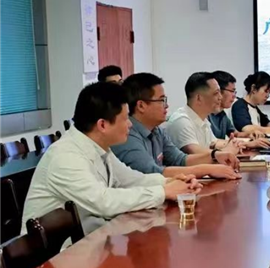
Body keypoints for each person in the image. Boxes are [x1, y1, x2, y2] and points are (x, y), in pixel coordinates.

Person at [23, 82, 201, 234]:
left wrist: (171, 182)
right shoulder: (65, 157)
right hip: (56, 255)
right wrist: (164, 192)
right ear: (102, 125)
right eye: (125, 119)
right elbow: (104, 202)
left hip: (89, 241)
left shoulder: (100, 149)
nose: (130, 125)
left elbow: (132, 179)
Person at [112, 73, 241, 179]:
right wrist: (207, 169)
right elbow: (152, 173)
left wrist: (214, 155)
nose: (167, 105)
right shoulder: (127, 135)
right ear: (141, 106)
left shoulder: (157, 131)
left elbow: (180, 159)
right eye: (162, 100)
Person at [165, 72, 245, 155]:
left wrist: (234, 144)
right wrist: (226, 151)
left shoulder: (203, 119)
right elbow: (196, 153)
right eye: (216, 93)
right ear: (199, 98)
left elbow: (214, 142)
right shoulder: (181, 121)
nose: (220, 97)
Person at [209, 70, 270, 148]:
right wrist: (247, 144)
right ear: (218, 91)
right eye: (232, 91)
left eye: (235, 92)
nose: (234, 96)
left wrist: (250, 134)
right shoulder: (206, 115)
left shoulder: (222, 114)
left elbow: (236, 134)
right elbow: (212, 142)